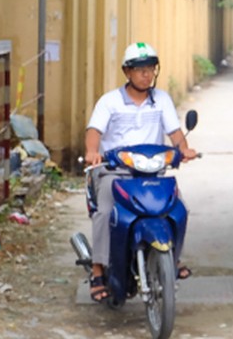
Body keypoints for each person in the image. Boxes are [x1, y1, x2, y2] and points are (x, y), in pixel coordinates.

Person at [84, 41, 196, 303]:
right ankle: (98, 269)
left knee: (179, 208)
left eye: (150, 69)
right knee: (105, 212)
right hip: (116, 171)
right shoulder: (110, 101)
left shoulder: (162, 100)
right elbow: (94, 132)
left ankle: (172, 256)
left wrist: (184, 149)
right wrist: (92, 152)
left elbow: (176, 134)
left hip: (151, 172)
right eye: (140, 69)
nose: (146, 74)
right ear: (127, 72)